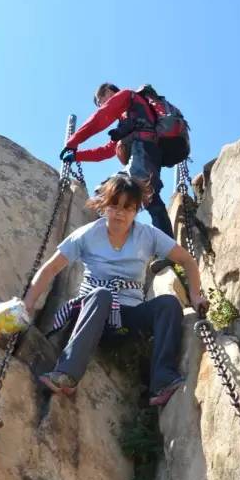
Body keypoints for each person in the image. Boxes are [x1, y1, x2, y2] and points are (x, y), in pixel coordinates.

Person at [24, 173, 208, 406]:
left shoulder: (147, 235)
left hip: (126, 317)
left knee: (169, 304)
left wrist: (195, 295)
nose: (120, 213)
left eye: (128, 207)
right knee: (102, 295)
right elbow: (50, 269)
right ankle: (67, 374)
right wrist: (28, 305)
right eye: (115, 205)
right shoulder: (88, 234)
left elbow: (188, 261)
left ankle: (162, 379)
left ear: (136, 210)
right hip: (92, 314)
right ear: (104, 205)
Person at [60, 83, 174, 239]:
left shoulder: (127, 96)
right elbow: (106, 151)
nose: (102, 106)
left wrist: (72, 142)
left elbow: (101, 117)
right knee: (150, 199)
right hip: (148, 154)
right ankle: (168, 251)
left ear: (108, 91)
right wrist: (77, 155)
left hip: (143, 150)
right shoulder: (126, 120)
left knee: (113, 188)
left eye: (101, 101)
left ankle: (110, 237)